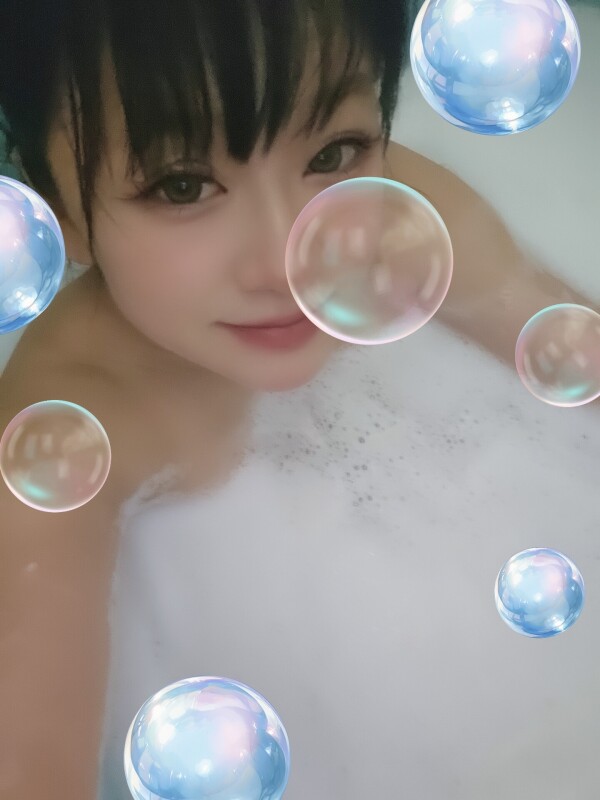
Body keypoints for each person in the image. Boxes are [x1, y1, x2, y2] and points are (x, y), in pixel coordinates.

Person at [0, 2, 596, 799]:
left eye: (332, 153)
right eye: (182, 185)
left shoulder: (400, 219)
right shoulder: (65, 429)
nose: (290, 258)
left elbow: (575, 352)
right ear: (56, 213)